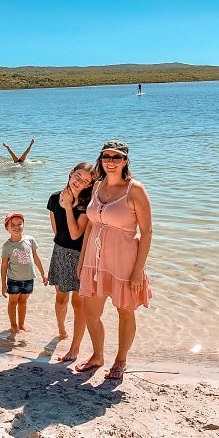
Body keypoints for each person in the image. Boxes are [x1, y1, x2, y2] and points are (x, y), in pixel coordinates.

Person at [76, 140, 152, 380]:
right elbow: (90, 225)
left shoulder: (135, 189)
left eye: (116, 157)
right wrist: (82, 259)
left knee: (125, 312)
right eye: (106, 157)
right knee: (91, 312)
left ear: (125, 161)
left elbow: (147, 232)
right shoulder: (97, 186)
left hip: (124, 260)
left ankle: (121, 360)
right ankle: (97, 355)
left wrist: (139, 270)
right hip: (94, 261)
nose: (110, 161)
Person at [47, 161, 94, 362]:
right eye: (78, 176)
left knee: (78, 303)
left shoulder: (86, 206)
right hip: (60, 252)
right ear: (71, 172)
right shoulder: (54, 198)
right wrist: (63, 203)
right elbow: (56, 231)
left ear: (89, 185)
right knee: (60, 298)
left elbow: (75, 235)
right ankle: (62, 332)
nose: (79, 182)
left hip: (79, 255)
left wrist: (68, 206)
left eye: (85, 181)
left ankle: (74, 348)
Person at [0, 212, 47, 333]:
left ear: (24, 225)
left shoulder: (30, 240)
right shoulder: (7, 246)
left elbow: (36, 257)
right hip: (14, 280)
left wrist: (43, 273)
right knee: (13, 302)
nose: (17, 227)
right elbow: (4, 265)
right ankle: (13, 325)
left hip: (29, 278)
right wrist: (3, 284)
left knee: (23, 302)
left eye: (19, 224)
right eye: (13, 225)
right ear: (7, 228)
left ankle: (21, 324)